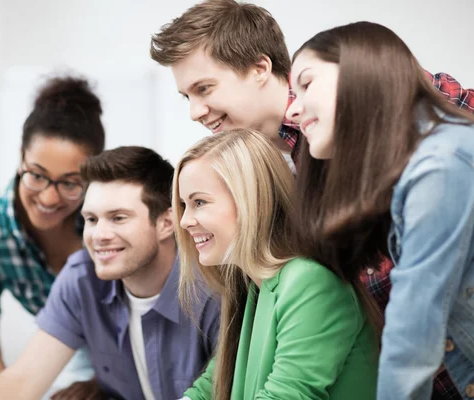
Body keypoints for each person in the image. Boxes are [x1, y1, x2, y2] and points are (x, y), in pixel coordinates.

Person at [151, 2, 474, 397]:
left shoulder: (358, 103)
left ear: (259, 68)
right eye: (186, 96)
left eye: (204, 88)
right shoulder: (258, 173)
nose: (195, 112)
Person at [285, 21, 474, 400]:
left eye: (307, 84)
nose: (292, 110)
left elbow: (412, 333)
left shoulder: (441, 163)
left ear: (363, 71)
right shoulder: (411, 172)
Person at [0, 146, 220, 400]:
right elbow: (21, 381)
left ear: (167, 223)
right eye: (91, 219)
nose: (99, 235)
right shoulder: (82, 279)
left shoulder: (213, 290)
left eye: (118, 218)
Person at [174, 129, 379, 399]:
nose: (185, 221)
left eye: (199, 202)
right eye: (183, 204)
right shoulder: (252, 287)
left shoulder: (310, 282)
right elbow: (212, 384)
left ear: (250, 200)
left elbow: (286, 394)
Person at [0, 75, 104, 378]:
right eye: (37, 175)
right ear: (21, 158)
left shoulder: (111, 217)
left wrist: (103, 382)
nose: (49, 198)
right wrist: (0, 384)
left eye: (70, 183)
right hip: (68, 355)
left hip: (129, 355)